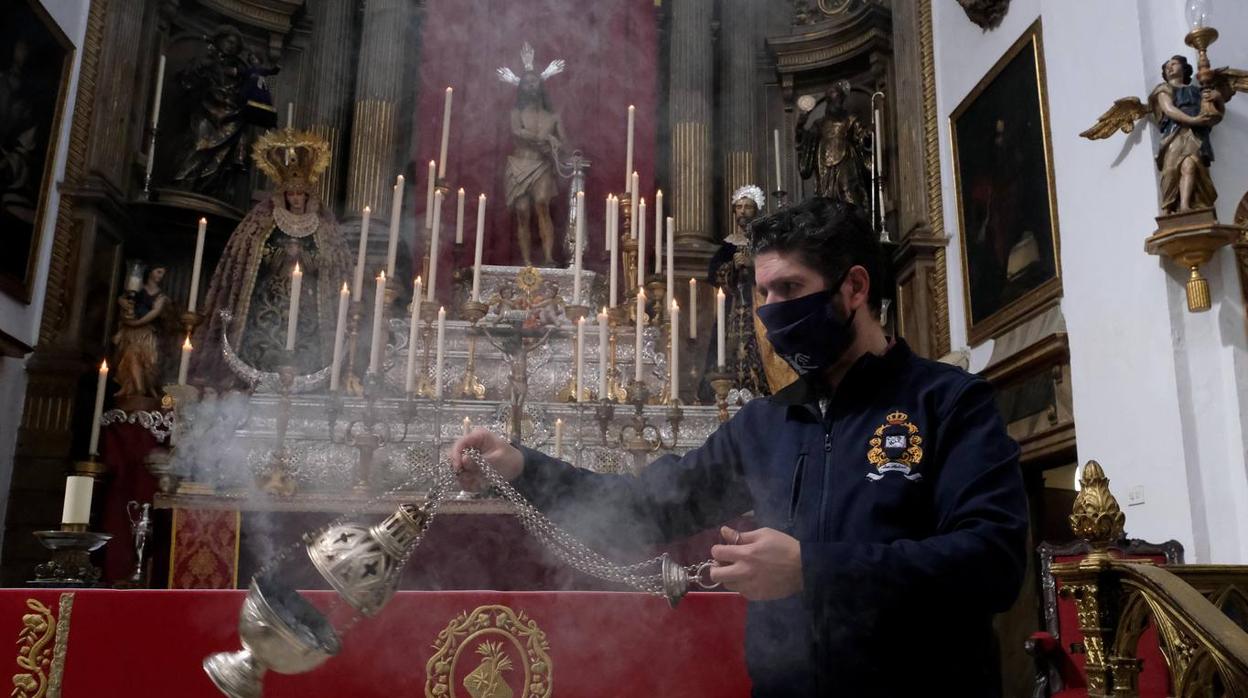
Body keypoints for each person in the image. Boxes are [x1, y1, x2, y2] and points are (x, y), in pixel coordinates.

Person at [451, 197, 1028, 696]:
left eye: (792, 288)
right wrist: (523, 466)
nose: (773, 311)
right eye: (764, 293)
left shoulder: (948, 401)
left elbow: (991, 561)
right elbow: (649, 505)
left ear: (854, 287)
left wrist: (813, 569)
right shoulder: (765, 424)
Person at [191, 129, 351, 386]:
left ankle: (310, 380)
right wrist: (280, 254)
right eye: (292, 194)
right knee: (262, 336)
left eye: (301, 194)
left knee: (307, 341)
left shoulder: (322, 228)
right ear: (284, 196)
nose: (297, 199)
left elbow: (330, 262)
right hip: (271, 297)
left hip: (309, 301)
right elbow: (253, 254)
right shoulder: (266, 222)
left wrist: (305, 257)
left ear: (308, 196)